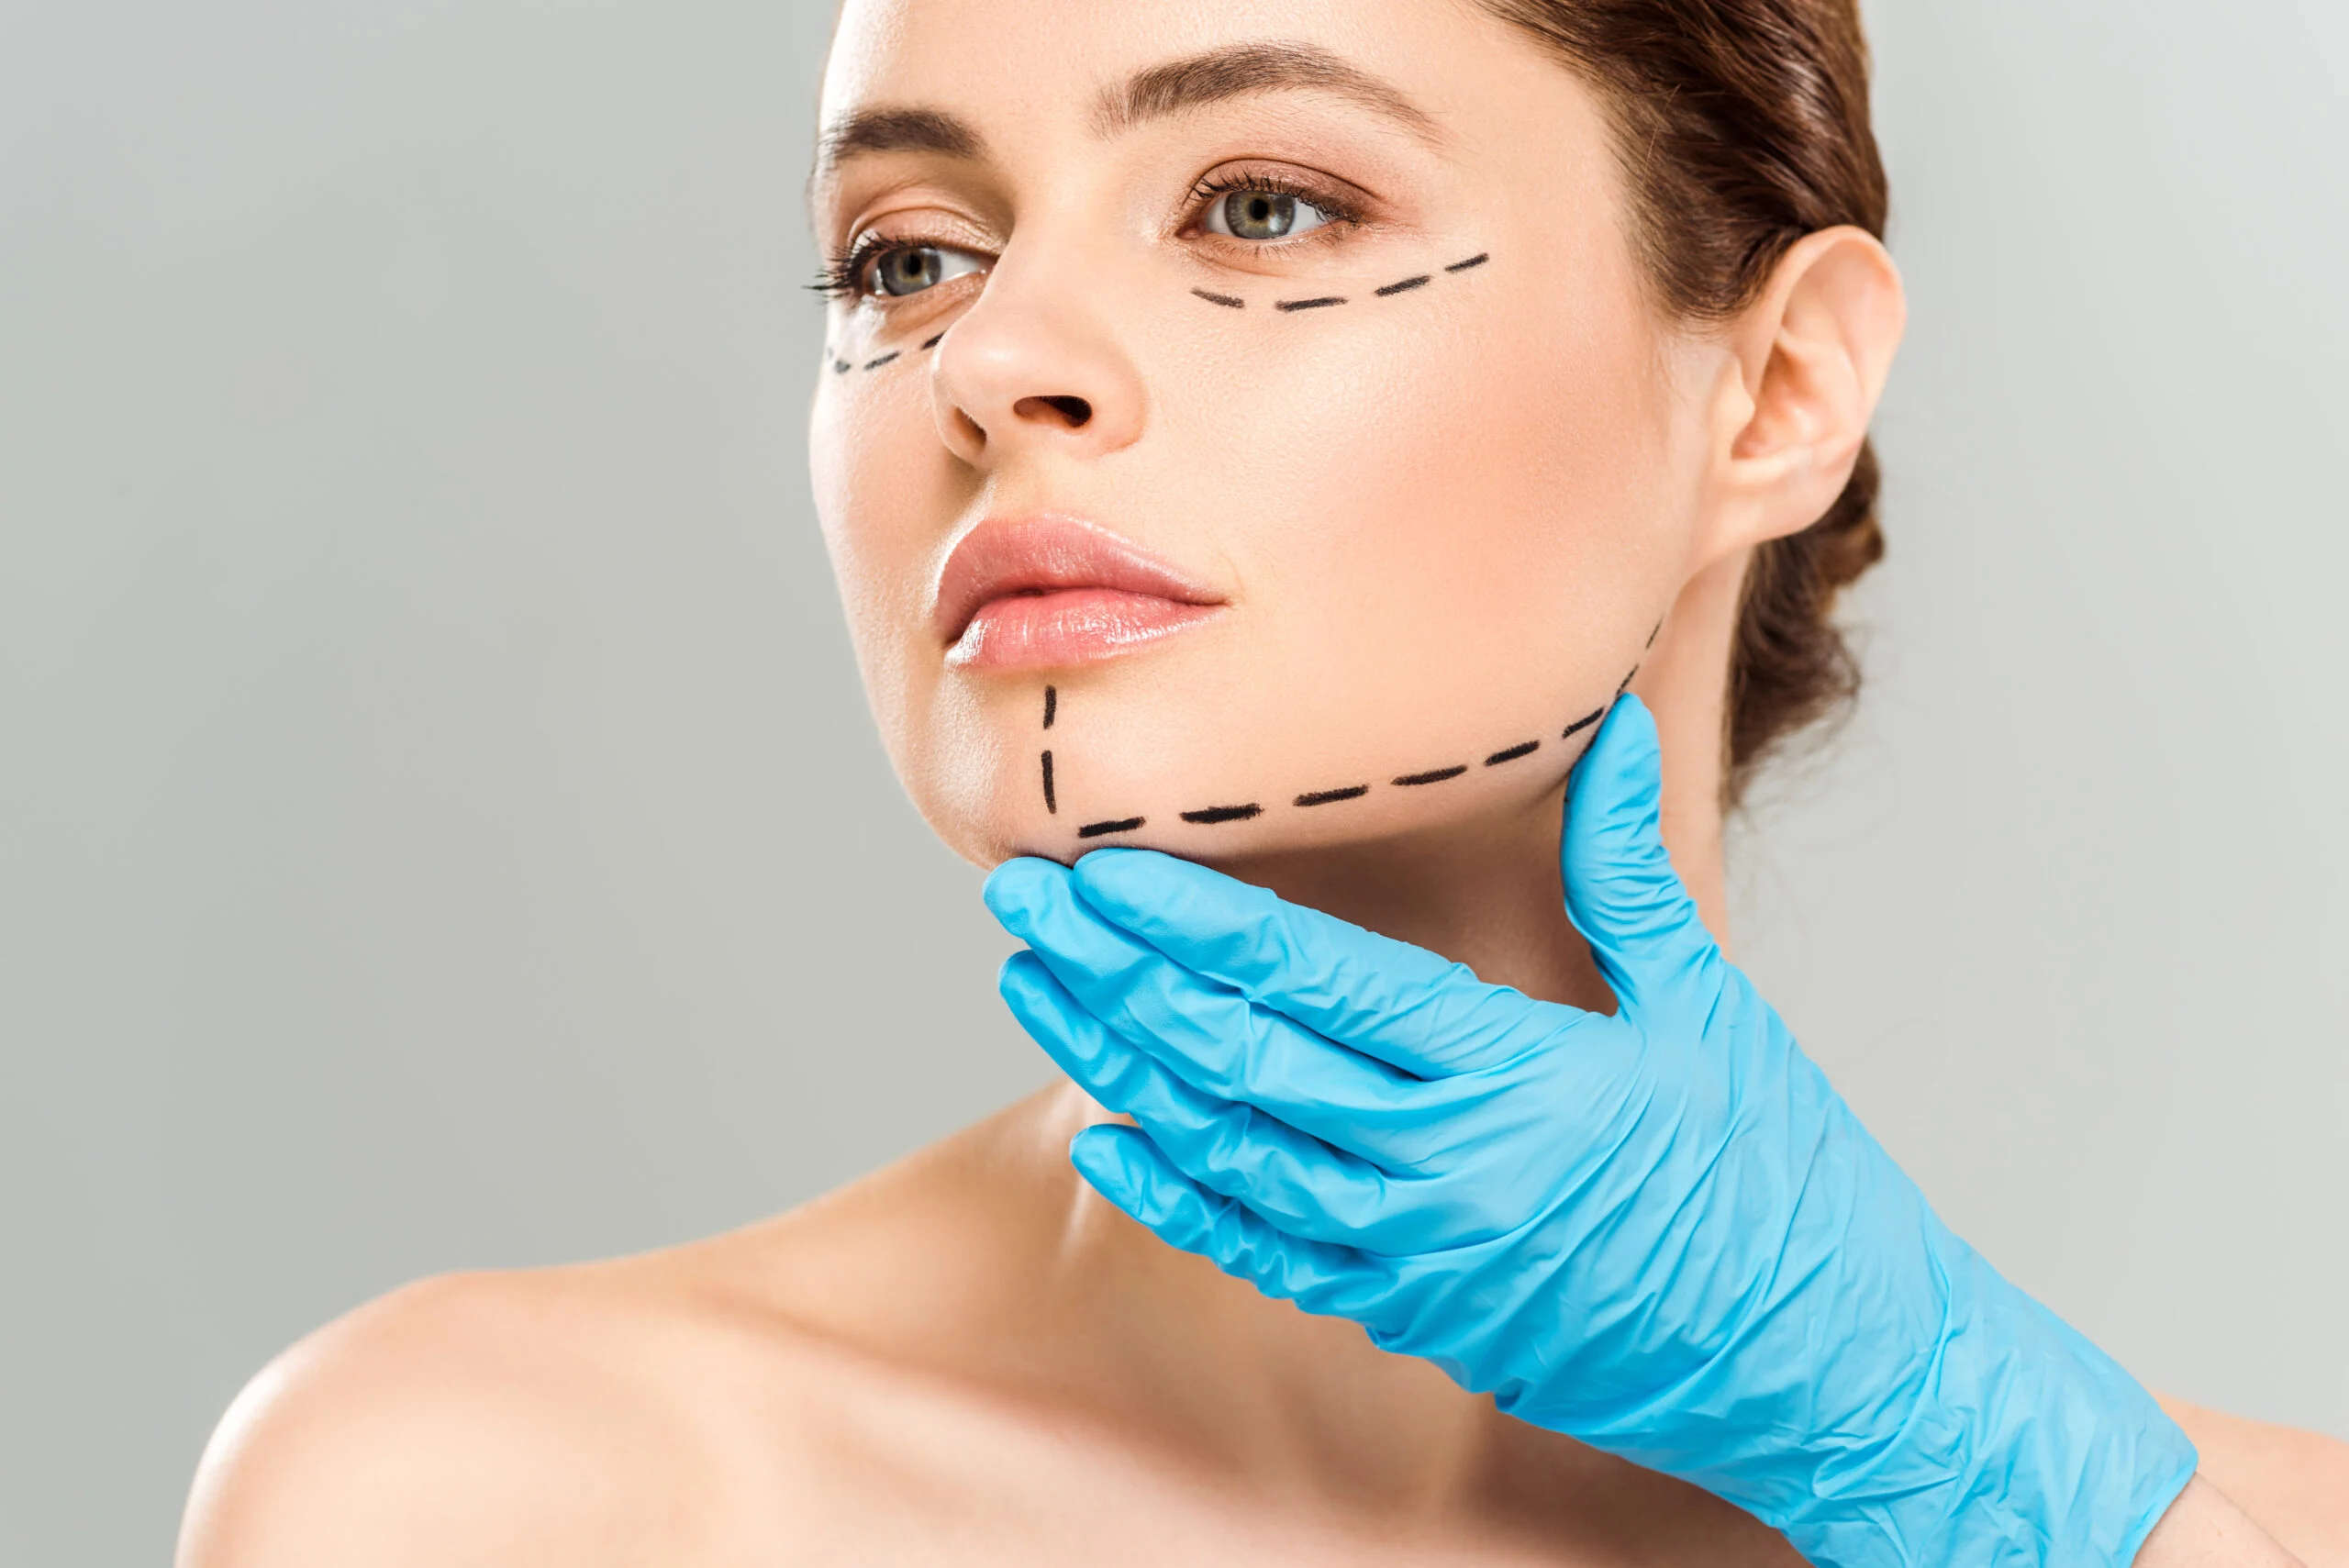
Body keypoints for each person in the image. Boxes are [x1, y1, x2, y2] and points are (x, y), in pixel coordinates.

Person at [177, 0, 2349, 1562]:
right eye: (907, 254)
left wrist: (1972, 1484)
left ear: (1771, 388)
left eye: (1261, 203)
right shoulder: (497, 1499)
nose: (996, 358)